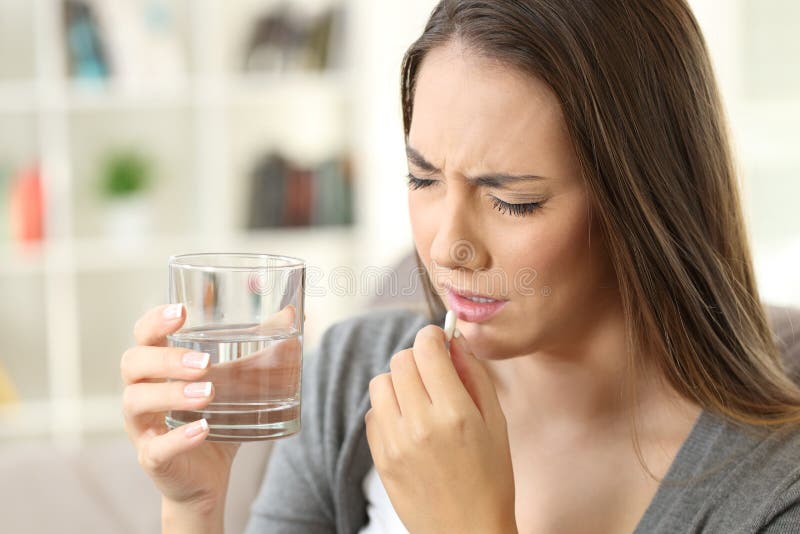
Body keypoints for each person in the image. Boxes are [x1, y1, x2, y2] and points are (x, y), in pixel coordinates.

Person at [120, 1, 800, 532]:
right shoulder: (352, 376)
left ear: (647, 200)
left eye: (513, 199)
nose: (448, 246)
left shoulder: (770, 485)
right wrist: (196, 510)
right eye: (423, 179)